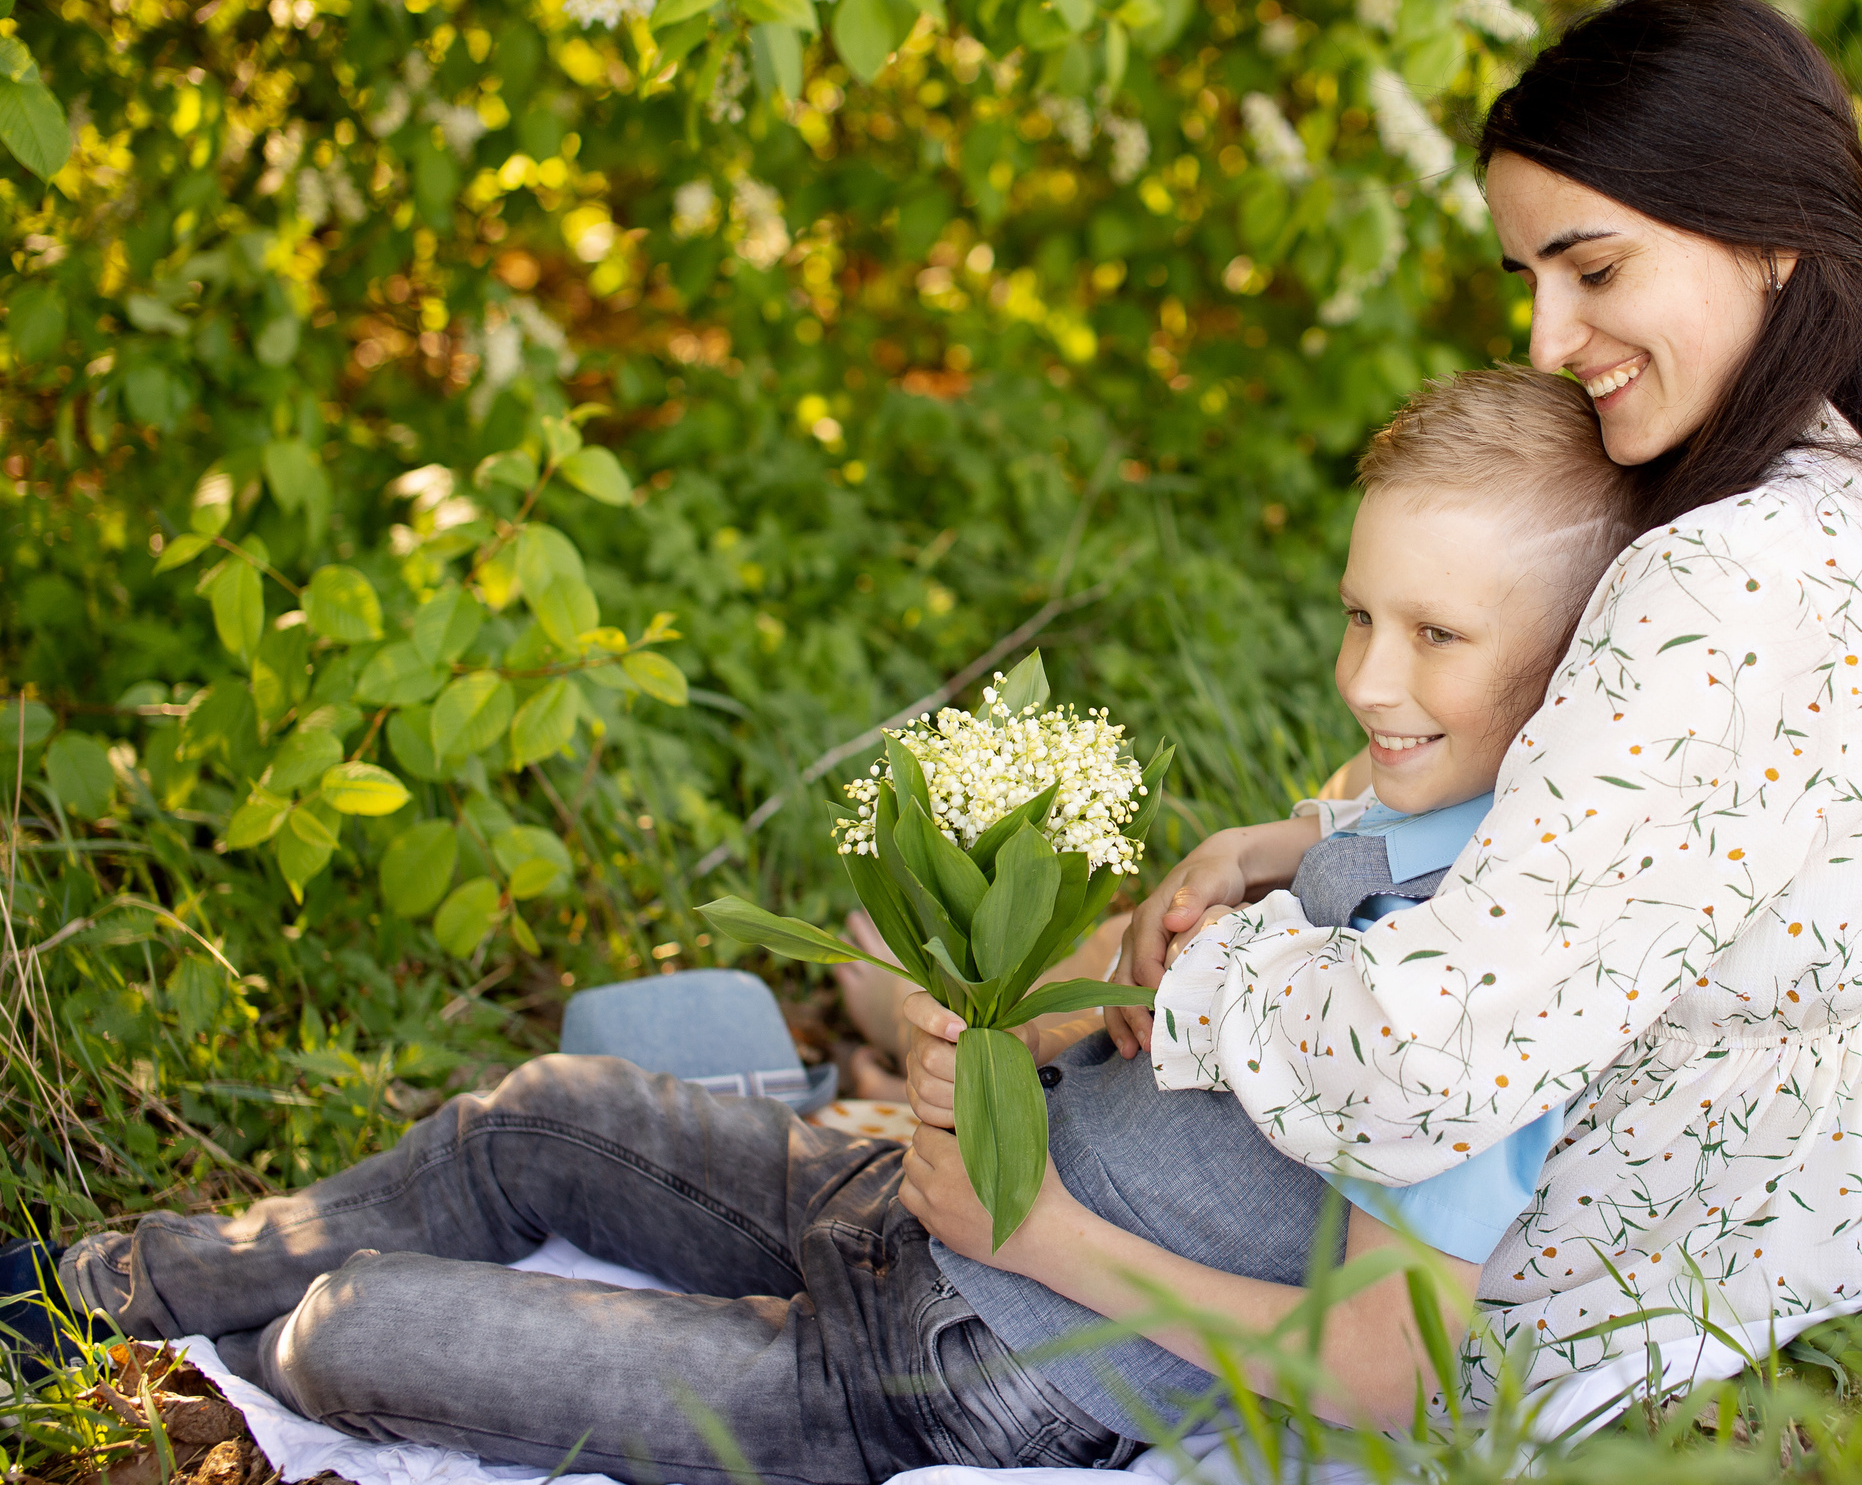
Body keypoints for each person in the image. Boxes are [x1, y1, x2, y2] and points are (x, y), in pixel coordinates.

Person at [5, 367, 1647, 1481]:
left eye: (1437, 636)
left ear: (1575, 669)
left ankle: (224, 1366)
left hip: (959, 1360)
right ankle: (93, 1288)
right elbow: (1196, 1008)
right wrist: (1063, 997)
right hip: (912, 1200)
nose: (1370, 678)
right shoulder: (1396, 818)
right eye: (1359, 613)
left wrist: (1039, 1240)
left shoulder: (1503, 989)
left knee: (357, 1329)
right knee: (542, 1117)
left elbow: (1380, 1372)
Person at [1103, 0, 1862, 1408]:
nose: (1547, 341)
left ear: (1767, 236)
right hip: (1775, 1213)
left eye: (1597, 271)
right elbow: (1644, 857)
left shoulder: (1729, 578)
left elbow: (1430, 1058)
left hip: (1565, 1274)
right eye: (1532, 280)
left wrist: (1197, 977)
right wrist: (1296, 845)